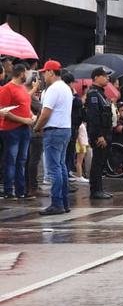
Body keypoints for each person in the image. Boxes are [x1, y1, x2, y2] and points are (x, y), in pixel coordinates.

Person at [32, 61, 74, 215]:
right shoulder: (66, 88)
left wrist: (37, 127)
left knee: (54, 168)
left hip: (54, 131)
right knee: (61, 166)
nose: (43, 76)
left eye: (44, 72)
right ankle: (64, 202)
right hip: (64, 130)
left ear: (50, 72)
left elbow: (46, 113)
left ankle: (56, 203)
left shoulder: (53, 89)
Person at [0, 63, 35, 200]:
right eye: (26, 73)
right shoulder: (8, 89)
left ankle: (20, 190)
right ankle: (8, 191)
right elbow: (3, 110)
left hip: (25, 128)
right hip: (12, 129)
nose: (27, 75)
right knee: (11, 159)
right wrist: (23, 120)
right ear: (21, 74)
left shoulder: (22, 88)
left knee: (22, 160)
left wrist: (31, 116)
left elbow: (25, 105)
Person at [83, 67, 115, 200]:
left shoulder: (101, 93)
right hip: (99, 133)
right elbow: (94, 117)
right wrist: (99, 135)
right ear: (96, 78)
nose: (107, 78)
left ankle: (99, 188)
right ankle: (95, 190)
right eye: (104, 76)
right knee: (97, 162)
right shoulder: (93, 94)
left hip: (106, 132)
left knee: (102, 162)